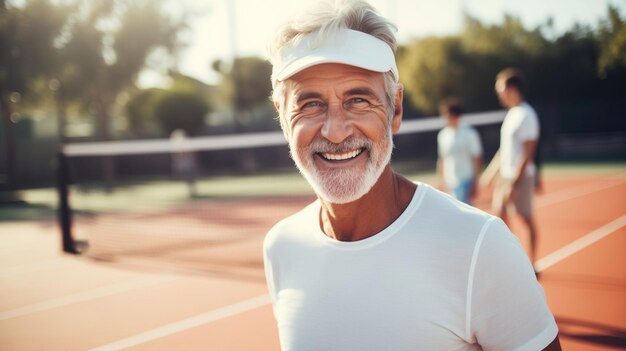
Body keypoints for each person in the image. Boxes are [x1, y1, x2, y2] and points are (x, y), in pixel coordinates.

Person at [263, 1, 560, 350]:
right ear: (282, 116)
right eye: (310, 104)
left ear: (396, 109)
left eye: (358, 99)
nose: (336, 131)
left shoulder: (480, 246)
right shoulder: (280, 248)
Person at [481, 68, 541, 268]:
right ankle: (513, 260)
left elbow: (528, 152)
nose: (499, 95)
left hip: (520, 177)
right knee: (499, 216)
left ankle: (532, 263)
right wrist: (490, 174)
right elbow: (504, 150)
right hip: (505, 176)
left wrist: (515, 181)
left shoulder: (527, 115)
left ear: (512, 89)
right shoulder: (511, 114)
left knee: (525, 218)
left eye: (501, 90)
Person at [437, 97, 483, 204]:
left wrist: (475, 181)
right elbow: (442, 159)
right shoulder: (443, 135)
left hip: (466, 180)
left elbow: (476, 158)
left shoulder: (469, 133)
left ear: (452, 115)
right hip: (450, 182)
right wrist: (441, 180)